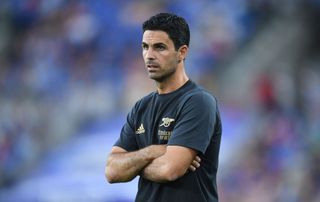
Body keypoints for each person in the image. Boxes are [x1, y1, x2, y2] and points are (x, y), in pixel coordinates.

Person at [105, 12, 222, 202]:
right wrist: (153, 152)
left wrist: (133, 167)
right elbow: (111, 170)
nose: (149, 55)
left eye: (159, 47)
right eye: (145, 47)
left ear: (182, 52)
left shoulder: (198, 102)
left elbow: (169, 170)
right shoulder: (140, 108)